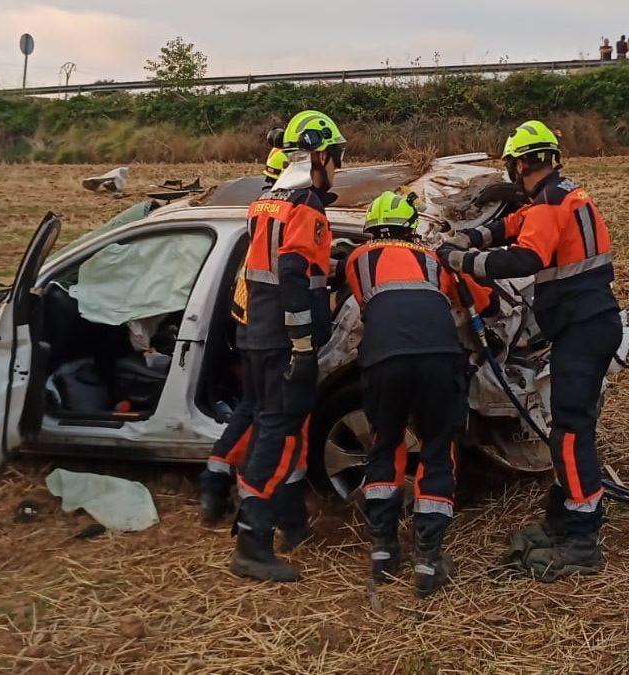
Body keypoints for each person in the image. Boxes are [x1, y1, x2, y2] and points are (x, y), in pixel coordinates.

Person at [438, 121, 621, 579]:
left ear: (520, 163)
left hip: (583, 328)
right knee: (569, 428)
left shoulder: (549, 206)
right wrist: (470, 236)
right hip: (591, 324)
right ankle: (563, 518)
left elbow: (524, 258)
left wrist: (462, 261)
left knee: (572, 432)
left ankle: (582, 539)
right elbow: (509, 226)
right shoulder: (564, 196)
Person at [345, 191, 494, 598]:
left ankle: (383, 552)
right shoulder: (432, 259)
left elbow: (369, 306)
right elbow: (482, 301)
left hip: (384, 362)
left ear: (371, 228)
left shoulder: (358, 261)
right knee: (436, 447)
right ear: (411, 227)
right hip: (439, 359)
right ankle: (428, 559)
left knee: (385, 445)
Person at [230, 110, 346, 583]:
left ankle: (292, 522)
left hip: (255, 334)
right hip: (283, 342)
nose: (337, 165)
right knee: (278, 436)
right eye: (335, 156)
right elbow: (295, 273)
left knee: (284, 431)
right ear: (318, 155)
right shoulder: (307, 207)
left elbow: (275, 269)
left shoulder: (268, 200)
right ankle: (252, 542)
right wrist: (302, 345)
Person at [198, 144, 295, 524]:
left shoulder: (260, 209)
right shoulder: (289, 214)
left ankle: (214, 480)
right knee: (270, 415)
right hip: (268, 328)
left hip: (246, 322)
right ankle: (252, 504)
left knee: (249, 407)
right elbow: (292, 274)